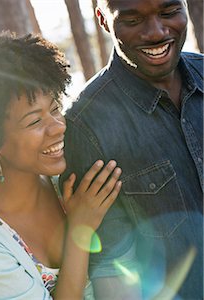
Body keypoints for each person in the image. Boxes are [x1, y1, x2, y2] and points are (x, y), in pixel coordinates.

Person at [0, 31, 122, 299]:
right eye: (34, 122)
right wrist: (80, 228)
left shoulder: (72, 178)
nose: (57, 127)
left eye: (54, 108)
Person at [60, 0, 203, 298]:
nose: (156, 32)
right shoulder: (87, 126)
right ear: (102, 19)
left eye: (169, 12)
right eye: (133, 20)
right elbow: (112, 266)